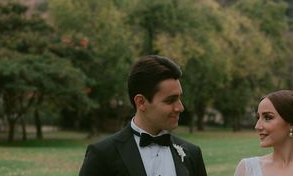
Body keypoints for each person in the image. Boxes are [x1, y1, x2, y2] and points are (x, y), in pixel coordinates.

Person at [79, 55, 208, 176]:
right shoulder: (102, 155)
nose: (180, 107)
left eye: (180, 98)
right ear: (141, 102)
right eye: (170, 100)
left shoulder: (192, 154)